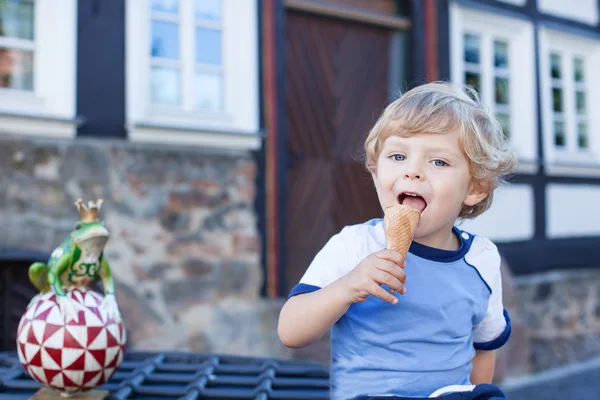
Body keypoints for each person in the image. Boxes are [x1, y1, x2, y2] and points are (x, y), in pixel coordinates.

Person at [277, 81, 517, 399]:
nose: (413, 171)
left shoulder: (482, 259)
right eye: (398, 156)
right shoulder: (355, 245)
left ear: (475, 189)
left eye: (439, 162)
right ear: (376, 173)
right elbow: (290, 331)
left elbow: (485, 347)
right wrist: (348, 287)